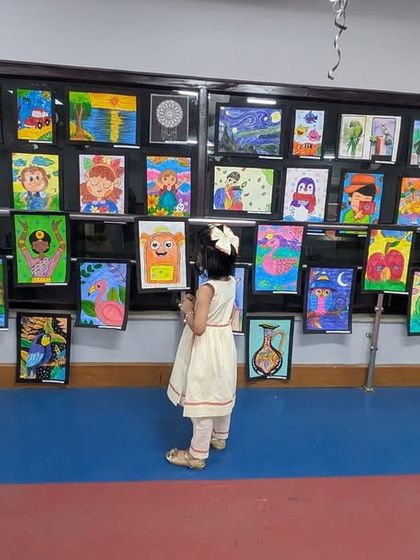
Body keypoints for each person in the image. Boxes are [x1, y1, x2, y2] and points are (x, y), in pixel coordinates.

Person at [166, 224, 239, 470]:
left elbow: (198, 327)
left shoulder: (206, 289)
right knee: (219, 389)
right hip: (224, 344)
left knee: (203, 398)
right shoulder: (231, 282)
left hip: (206, 348)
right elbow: (225, 310)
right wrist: (198, 303)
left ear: (207, 259)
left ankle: (196, 455)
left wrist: (187, 309)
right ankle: (219, 436)